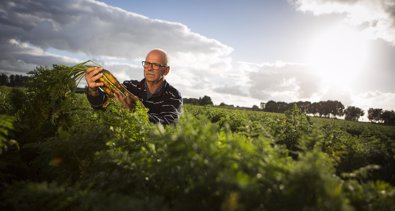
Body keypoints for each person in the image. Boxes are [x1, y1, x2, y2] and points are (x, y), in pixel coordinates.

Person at [85, 49, 182, 125]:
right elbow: (103, 107)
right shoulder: (129, 86)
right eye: (147, 63)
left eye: (155, 65)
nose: (149, 68)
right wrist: (93, 91)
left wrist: (133, 111)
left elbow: (168, 125)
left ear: (166, 70)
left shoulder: (173, 95)